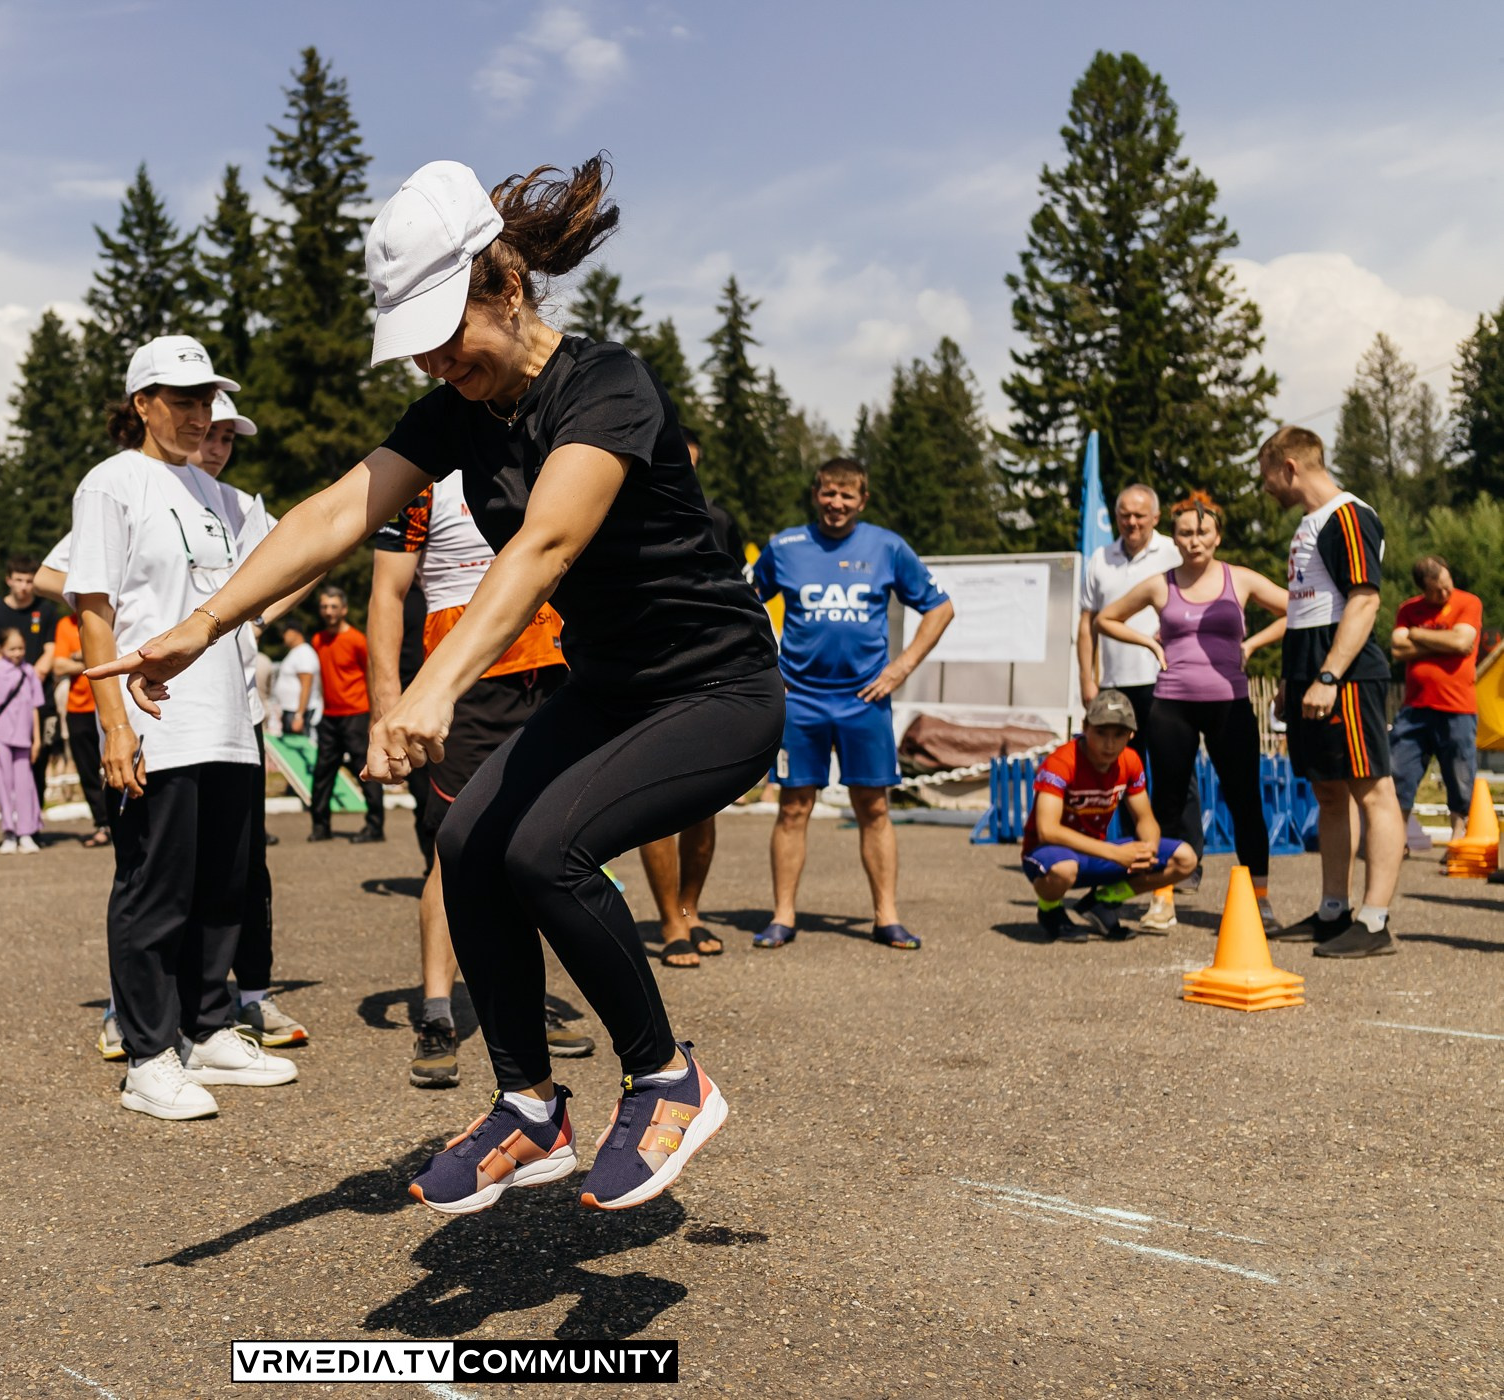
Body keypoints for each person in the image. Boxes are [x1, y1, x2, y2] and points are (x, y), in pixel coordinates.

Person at [94, 156, 778, 1213]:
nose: (431, 357)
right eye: (414, 338)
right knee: (467, 842)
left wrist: (432, 686)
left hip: (713, 690)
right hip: (607, 690)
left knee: (545, 852)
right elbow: (336, 511)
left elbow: (546, 544)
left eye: (444, 328)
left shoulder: (608, 385)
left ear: (505, 282)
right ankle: (530, 1107)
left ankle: (666, 1079)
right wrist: (201, 624)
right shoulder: (460, 409)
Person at [66, 332, 297, 1121]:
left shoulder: (224, 497)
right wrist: (114, 725)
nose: (200, 415)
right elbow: (94, 608)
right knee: (155, 893)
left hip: (229, 718)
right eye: (183, 400)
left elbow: (270, 588)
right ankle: (147, 1056)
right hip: (156, 722)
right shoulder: (112, 483)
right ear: (143, 403)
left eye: (207, 400)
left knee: (224, 889)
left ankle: (208, 1028)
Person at [368, 455, 592, 1089]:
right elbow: (386, 593)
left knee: (534, 848)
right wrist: (387, 703)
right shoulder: (423, 479)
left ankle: (525, 1000)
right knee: (457, 852)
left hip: (552, 671)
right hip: (466, 682)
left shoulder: (545, 460)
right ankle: (438, 1013)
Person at [751, 458, 956, 954]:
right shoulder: (785, 546)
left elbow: (940, 608)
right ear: (815, 495)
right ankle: (782, 916)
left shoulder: (887, 547)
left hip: (865, 700)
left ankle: (887, 917)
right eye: (828, 493)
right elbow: (743, 603)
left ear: (862, 501)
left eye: (847, 496)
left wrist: (900, 668)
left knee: (874, 807)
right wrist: (764, 666)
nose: (836, 504)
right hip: (800, 700)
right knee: (793, 807)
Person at [1095, 493, 1287, 930]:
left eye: (1202, 532)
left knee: (1245, 802)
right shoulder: (1160, 584)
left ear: (1217, 537)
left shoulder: (1240, 579)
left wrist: (1252, 644)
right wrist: (1149, 643)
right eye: (1185, 533)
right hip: (1172, 706)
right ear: (1174, 538)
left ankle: (1260, 901)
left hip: (1230, 705)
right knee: (1167, 804)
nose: (1194, 540)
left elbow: (1296, 611)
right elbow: (1106, 619)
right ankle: (1162, 898)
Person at [1257, 425, 1403, 958]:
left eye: (1266, 475)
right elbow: (1305, 610)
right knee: (1329, 793)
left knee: (1373, 790)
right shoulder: (1309, 523)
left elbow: (1365, 600)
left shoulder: (1348, 515)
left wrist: (1327, 677)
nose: (1265, 486)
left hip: (1347, 677)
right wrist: (1291, 681)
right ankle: (1333, 911)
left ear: (1289, 467)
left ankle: (1375, 920)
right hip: (1310, 675)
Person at [197, 389, 310, 1048]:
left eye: (227, 438)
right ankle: (141, 1003)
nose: (217, 447)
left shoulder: (244, 506)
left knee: (246, 862)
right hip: (168, 707)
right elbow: (58, 575)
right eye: (208, 433)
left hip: (240, 708)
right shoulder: (138, 490)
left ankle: (252, 996)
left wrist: (255, 613)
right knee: (169, 865)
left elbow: (303, 562)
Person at [636, 424, 740, 962]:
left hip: (710, 670)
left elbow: (738, 594)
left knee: (703, 803)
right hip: (648, 672)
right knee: (657, 802)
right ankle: (669, 923)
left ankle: (689, 910)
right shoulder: (623, 513)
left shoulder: (718, 520)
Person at [1078, 483, 1198, 889]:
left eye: (1139, 515)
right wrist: (1087, 678)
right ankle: (1137, 859)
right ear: (1116, 517)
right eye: (1124, 515)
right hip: (1115, 685)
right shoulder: (1100, 559)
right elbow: (1087, 624)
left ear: (1155, 518)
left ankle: (1187, 860)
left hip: (1164, 680)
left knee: (1175, 771)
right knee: (1125, 776)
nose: (1132, 522)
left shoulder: (1173, 551)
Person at [1021, 689, 1200, 941]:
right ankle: (1050, 909)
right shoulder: (1061, 762)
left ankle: (1103, 901)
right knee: (1064, 868)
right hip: (1047, 853)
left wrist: (1148, 847)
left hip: (1096, 853)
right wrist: (1115, 853)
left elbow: (1145, 818)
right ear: (1085, 727)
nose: (1109, 743)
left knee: (1185, 859)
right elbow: (1047, 830)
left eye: (1119, 734)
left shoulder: (1130, 761)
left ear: (1131, 735)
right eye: (1101, 732)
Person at [1389, 555, 1482, 847]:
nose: (1444, 593)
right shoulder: (1409, 609)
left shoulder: (1468, 602)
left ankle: (1457, 840)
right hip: (1414, 708)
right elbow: (1398, 648)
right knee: (1398, 772)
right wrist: (1443, 642)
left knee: (1459, 774)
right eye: (1436, 590)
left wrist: (1417, 634)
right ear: (1423, 589)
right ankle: (1395, 840)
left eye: (1446, 584)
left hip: (1457, 706)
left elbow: (1462, 643)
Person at [0, 556, 58, 846]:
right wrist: (11, 671)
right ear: (8, 579)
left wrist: (33, 674)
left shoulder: (46, 610)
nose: (24, 586)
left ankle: (31, 827)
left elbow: (51, 650)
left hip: (36, 695)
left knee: (36, 764)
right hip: (2, 702)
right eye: (18, 579)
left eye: (29, 580)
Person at [308, 585, 383, 843]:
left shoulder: (357, 640)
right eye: (324, 607)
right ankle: (321, 827)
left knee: (365, 771)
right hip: (329, 717)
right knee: (322, 773)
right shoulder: (318, 640)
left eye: (333, 606)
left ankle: (375, 827)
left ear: (344, 610)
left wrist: (374, 714)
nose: (328, 611)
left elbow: (371, 675)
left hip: (356, 714)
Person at [0, 628, 45, 853]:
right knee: (3, 784)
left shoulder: (29, 671)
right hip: (0, 735)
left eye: (21, 648)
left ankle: (26, 832)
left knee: (25, 785)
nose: (17, 653)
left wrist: (37, 740)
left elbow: (35, 707)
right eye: (12, 648)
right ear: (0, 649)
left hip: (24, 735)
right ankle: (9, 832)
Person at [49, 610, 113, 847]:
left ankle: (122, 821)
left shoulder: (110, 617)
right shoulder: (66, 624)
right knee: (87, 770)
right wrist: (95, 658)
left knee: (115, 764)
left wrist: (78, 658)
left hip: (110, 704)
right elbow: (59, 665)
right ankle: (102, 823)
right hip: (78, 708)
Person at [276, 621, 322, 735]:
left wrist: (299, 715)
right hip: (291, 710)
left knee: (298, 744)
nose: (283, 636)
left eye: (285, 632)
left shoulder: (304, 653)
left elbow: (306, 685)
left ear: (295, 632)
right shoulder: (296, 652)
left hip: (298, 712)